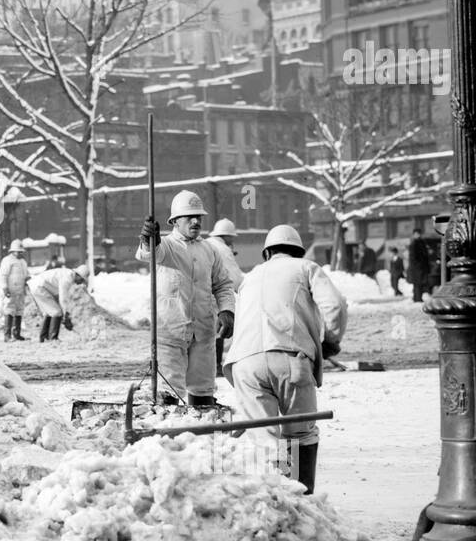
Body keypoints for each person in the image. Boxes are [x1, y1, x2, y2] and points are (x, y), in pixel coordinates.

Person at [224, 225, 348, 493]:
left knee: (264, 440)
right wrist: (331, 341)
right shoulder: (305, 268)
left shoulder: (251, 276)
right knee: (300, 434)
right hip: (289, 359)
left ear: (267, 252)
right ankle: (301, 503)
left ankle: (270, 503)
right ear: (299, 251)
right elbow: (336, 306)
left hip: (245, 364)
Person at [137, 191, 237, 407]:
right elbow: (150, 252)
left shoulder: (209, 250)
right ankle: (166, 433)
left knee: (203, 392)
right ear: (174, 221)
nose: (195, 221)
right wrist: (148, 239)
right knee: (168, 392)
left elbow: (223, 285)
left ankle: (202, 432)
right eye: (189, 217)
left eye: (198, 217)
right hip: (170, 334)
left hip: (203, 333)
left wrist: (227, 311)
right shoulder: (166, 246)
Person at [206, 218, 245, 375]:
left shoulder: (206, 243)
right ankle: (215, 366)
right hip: (215, 295)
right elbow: (234, 277)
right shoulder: (222, 249)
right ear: (226, 236)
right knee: (219, 331)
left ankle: (210, 365)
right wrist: (245, 290)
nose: (233, 240)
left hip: (200, 294)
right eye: (232, 237)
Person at [29, 264, 89, 342]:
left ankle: (44, 337)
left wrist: (65, 315)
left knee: (50, 312)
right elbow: (63, 298)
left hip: (40, 286)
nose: (80, 283)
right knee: (56, 312)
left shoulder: (67, 274)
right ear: (78, 275)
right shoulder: (67, 278)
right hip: (39, 287)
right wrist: (65, 315)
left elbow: (58, 296)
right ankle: (53, 338)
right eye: (81, 280)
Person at [0, 239, 30, 341]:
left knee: (19, 310)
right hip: (11, 289)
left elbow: (26, 274)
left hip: (21, 290)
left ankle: (17, 333)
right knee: (9, 310)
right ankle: (7, 336)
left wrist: (28, 279)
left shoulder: (23, 262)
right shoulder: (7, 260)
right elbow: (3, 275)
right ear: (13, 251)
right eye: (18, 251)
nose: (20, 253)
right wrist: (4, 288)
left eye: (21, 251)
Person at [407, 227, 431, 303]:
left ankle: (418, 298)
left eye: (419, 234)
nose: (418, 235)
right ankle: (417, 298)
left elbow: (425, 256)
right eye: (416, 234)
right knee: (417, 284)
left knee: (420, 283)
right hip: (417, 268)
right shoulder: (414, 244)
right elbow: (413, 257)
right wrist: (418, 265)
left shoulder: (422, 242)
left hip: (421, 267)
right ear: (414, 235)